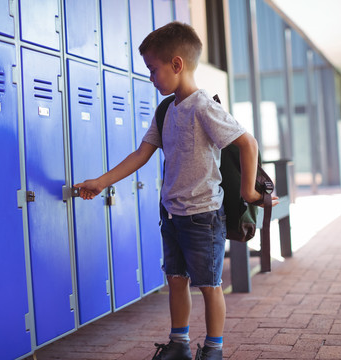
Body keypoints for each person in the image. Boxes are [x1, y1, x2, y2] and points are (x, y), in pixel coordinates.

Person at [74, 21, 276, 360]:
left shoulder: (202, 107)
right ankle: (179, 345)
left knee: (210, 286)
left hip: (203, 217)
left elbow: (248, 143)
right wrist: (100, 182)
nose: (151, 78)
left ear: (177, 64)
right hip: (171, 213)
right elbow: (141, 154)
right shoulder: (166, 110)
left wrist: (249, 194)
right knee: (177, 280)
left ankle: (213, 350)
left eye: (154, 70)